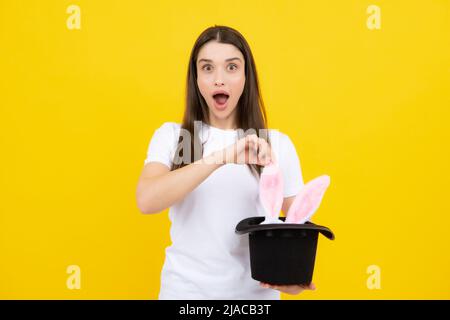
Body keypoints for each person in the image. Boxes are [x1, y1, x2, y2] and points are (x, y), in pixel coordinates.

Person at [136, 25, 315, 299]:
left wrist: (293, 278)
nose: (219, 79)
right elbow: (147, 200)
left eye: (231, 67)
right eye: (207, 68)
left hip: (253, 301)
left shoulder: (274, 144)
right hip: (186, 296)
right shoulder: (177, 138)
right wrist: (222, 156)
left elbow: (295, 227)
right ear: (196, 78)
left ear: (246, 76)